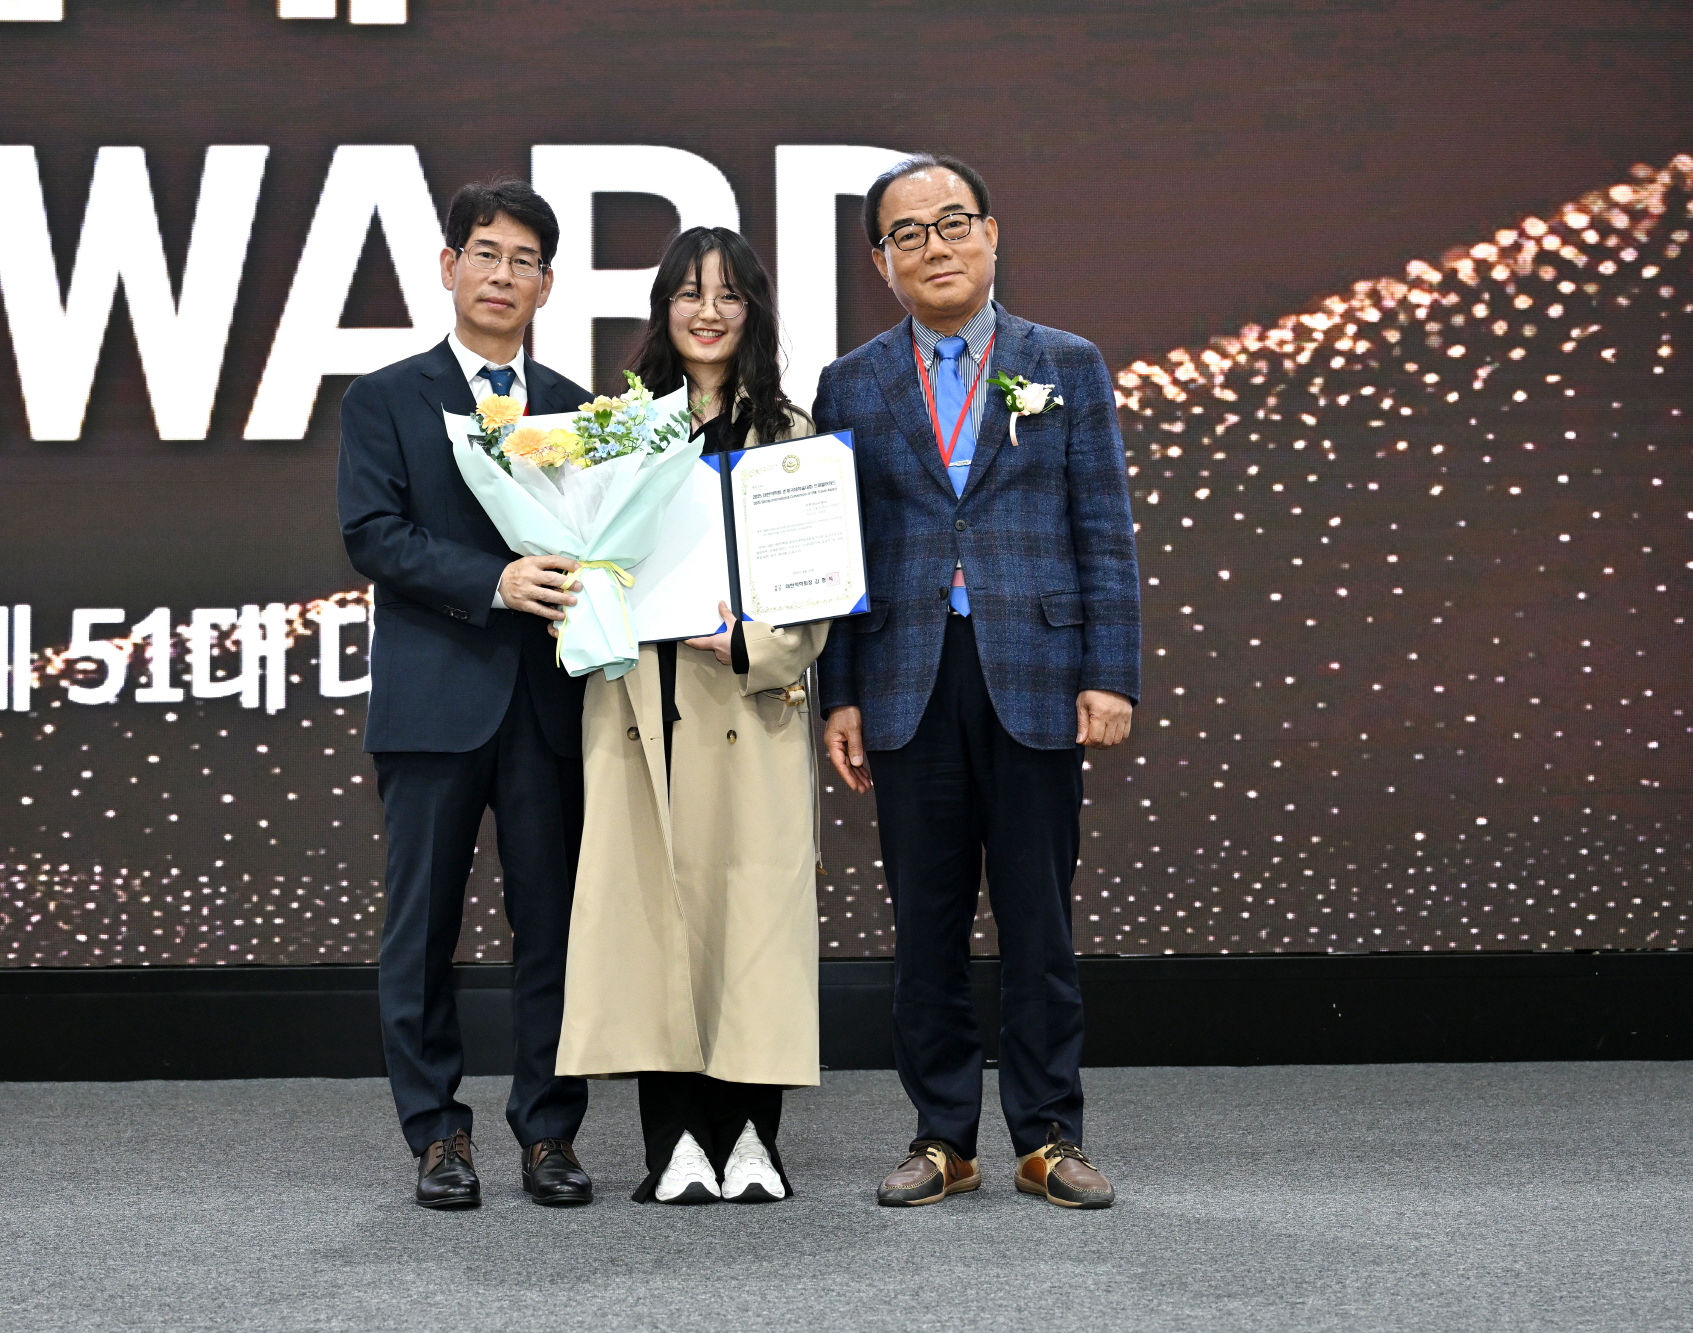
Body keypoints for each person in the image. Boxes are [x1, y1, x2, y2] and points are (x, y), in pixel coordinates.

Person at [813, 154, 1142, 1209]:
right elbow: (840, 554)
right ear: (881, 261)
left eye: (952, 222)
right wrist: (839, 692)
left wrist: (1110, 672)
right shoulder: (850, 382)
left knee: (1039, 918)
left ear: (991, 234)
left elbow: (1103, 528)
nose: (935, 246)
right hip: (906, 677)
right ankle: (941, 1137)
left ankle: (1048, 1134)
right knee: (925, 924)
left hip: (1036, 672)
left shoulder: (1065, 363)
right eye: (906, 233)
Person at [338, 180, 598, 1210]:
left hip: (550, 708)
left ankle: (549, 1129)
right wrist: (495, 581)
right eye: (485, 253)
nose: (502, 275)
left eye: (524, 260)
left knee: (554, 929)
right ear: (450, 266)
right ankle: (436, 1131)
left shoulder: (581, 409)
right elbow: (374, 535)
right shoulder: (384, 398)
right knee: (421, 930)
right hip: (432, 704)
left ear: (547, 284)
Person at [555, 227, 826, 1204]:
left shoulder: (790, 433)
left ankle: (751, 1135)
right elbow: (582, 557)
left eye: (727, 295)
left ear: (753, 310)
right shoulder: (620, 428)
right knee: (653, 919)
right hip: (640, 702)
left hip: (745, 699)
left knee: (748, 918)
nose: (707, 312)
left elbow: (815, 586)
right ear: (662, 309)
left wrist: (755, 642)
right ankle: (671, 1137)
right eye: (687, 293)